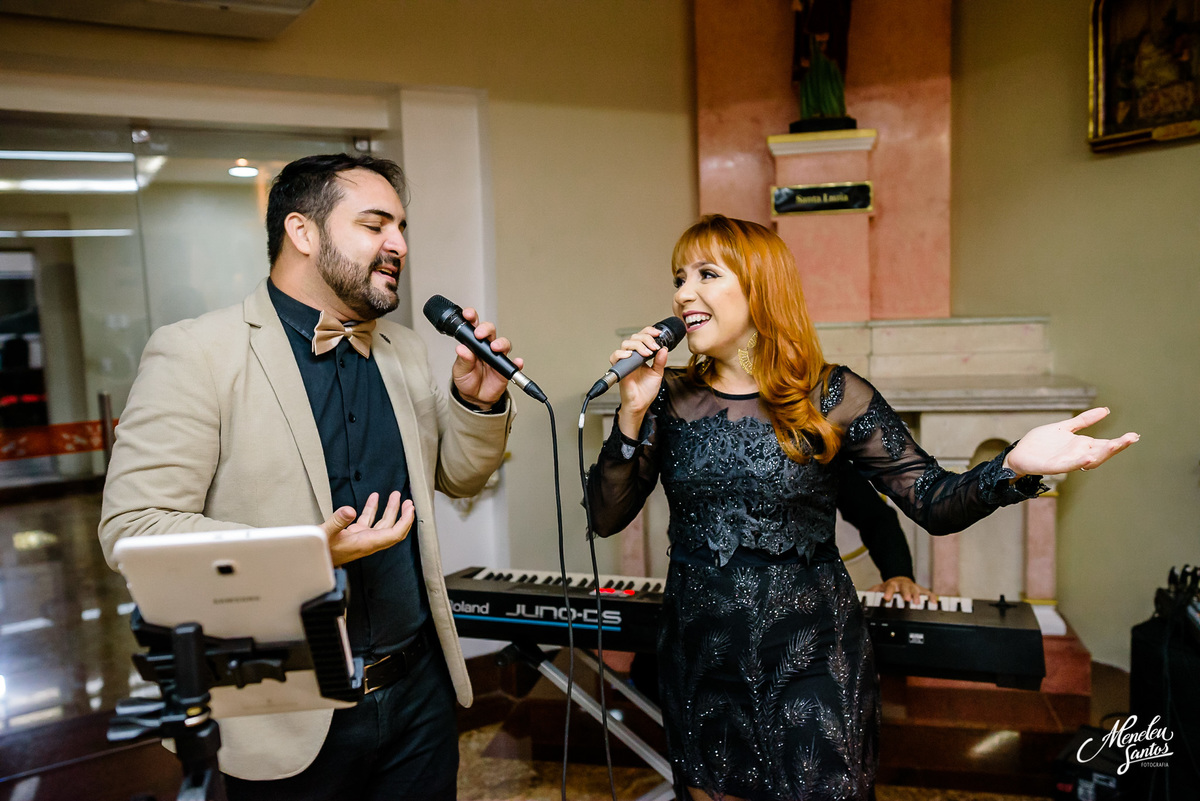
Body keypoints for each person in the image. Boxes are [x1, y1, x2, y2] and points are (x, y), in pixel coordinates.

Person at [586, 214, 1137, 801]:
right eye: (678, 277)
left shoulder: (834, 395)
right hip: (699, 659)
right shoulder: (666, 398)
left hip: (813, 661)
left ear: (760, 286)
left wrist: (1015, 466)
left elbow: (934, 501)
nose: (682, 294)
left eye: (705, 274)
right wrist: (630, 413)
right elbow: (606, 516)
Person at [99, 154, 518, 800]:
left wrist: (479, 402)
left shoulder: (402, 349)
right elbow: (135, 529)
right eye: (376, 225)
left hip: (419, 697)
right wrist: (309, 551)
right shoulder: (197, 353)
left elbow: (460, 477)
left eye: (401, 227)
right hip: (286, 710)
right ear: (302, 232)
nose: (398, 244)